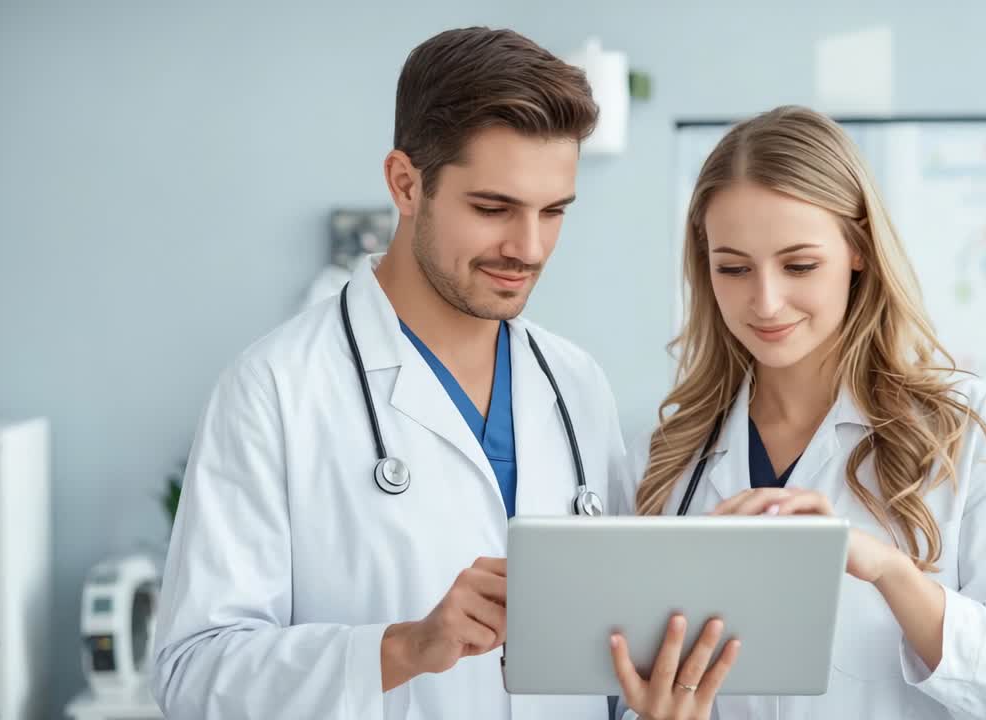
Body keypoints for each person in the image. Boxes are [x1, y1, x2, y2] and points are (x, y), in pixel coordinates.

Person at [152, 26, 640, 719]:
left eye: (553, 212)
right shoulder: (275, 388)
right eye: (493, 208)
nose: (528, 248)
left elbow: (615, 656)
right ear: (406, 184)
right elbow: (193, 673)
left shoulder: (575, 384)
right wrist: (403, 648)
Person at [611, 105, 986, 719]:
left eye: (800, 265)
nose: (766, 301)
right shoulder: (672, 452)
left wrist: (891, 572)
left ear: (858, 248)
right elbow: (631, 683)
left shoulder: (964, 426)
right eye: (733, 268)